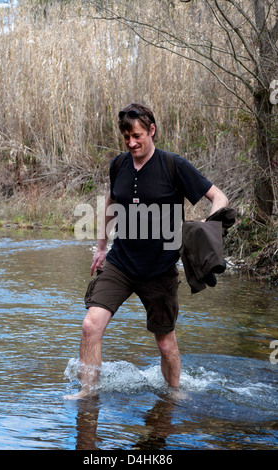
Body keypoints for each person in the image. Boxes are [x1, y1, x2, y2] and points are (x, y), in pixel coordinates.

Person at [64, 103, 228, 400]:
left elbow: (219, 197)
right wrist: (101, 246)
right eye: (126, 137)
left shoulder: (173, 165)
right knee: (91, 325)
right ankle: (87, 394)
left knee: (165, 343)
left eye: (137, 135)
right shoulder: (118, 165)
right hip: (121, 263)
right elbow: (111, 204)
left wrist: (208, 221)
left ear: (152, 130)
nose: (131, 143)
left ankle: (174, 394)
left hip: (160, 267)